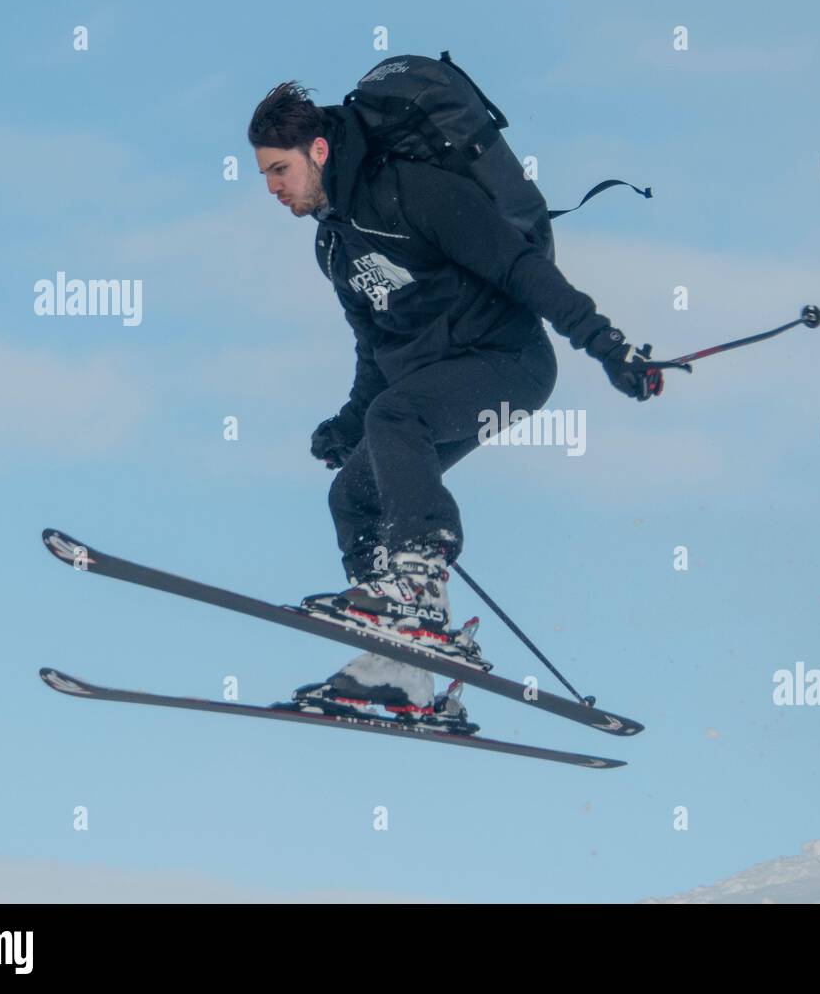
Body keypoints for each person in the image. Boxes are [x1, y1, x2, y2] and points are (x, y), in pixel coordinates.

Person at [248, 81, 661, 729]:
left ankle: (419, 582)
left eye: (280, 169)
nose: (271, 187)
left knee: (397, 418)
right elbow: (373, 351)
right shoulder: (334, 246)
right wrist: (347, 423)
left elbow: (520, 267)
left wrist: (607, 345)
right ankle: (400, 666)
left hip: (509, 362)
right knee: (353, 495)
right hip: (434, 382)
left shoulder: (409, 191)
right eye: (264, 174)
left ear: (320, 150)